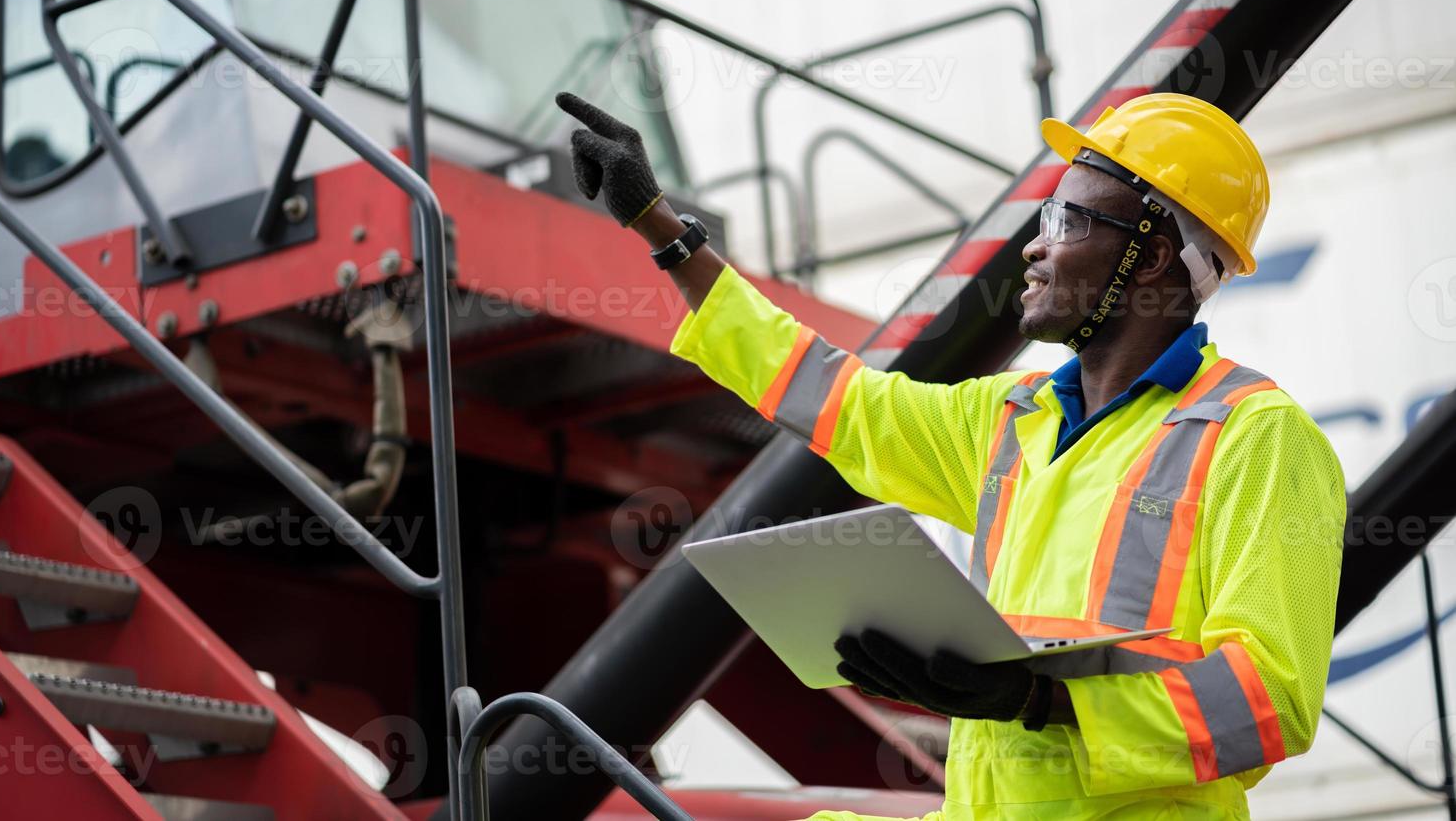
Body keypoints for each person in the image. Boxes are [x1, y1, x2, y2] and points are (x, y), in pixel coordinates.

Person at [554, 90, 1345, 820]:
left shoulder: (1257, 438)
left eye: (1067, 222)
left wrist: (1040, 701)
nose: (1034, 250)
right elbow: (838, 402)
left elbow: (1268, 701)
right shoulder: (1009, 420)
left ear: (1151, 258)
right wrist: (661, 227)